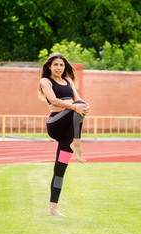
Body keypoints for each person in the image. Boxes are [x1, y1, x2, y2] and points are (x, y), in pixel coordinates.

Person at [39, 52, 89, 216]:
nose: (59, 67)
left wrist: (83, 106)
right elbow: (53, 100)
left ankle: (53, 208)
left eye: (61, 65)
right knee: (77, 106)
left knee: (60, 170)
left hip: (68, 131)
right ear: (49, 66)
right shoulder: (45, 81)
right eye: (55, 65)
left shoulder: (68, 80)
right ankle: (77, 143)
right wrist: (76, 107)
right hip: (55, 124)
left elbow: (78, 99)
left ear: (64, 66)